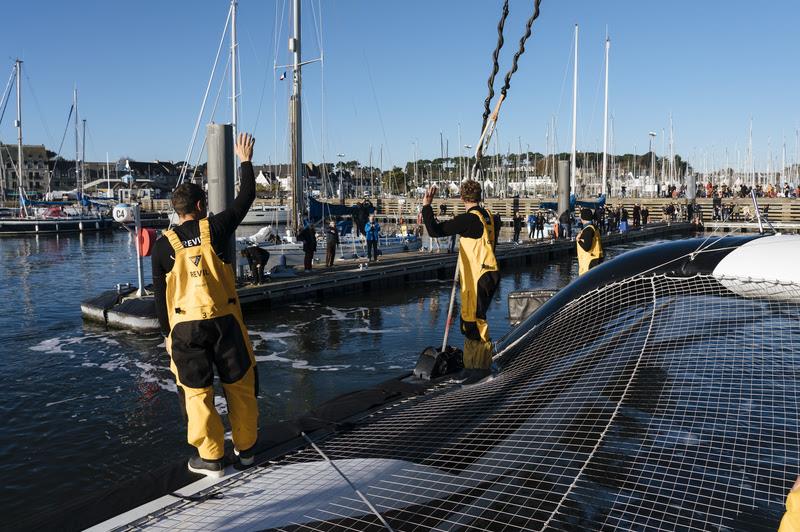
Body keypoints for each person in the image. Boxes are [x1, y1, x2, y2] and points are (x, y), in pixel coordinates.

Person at [151, 132, 259, 478]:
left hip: (185, 327)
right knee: (240, 386)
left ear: (176, 210)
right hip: (225, 321)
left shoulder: (162, 245)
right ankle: (246, 452)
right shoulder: (216, 227)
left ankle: (210, 458)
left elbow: (159, 296)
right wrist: (245, 159)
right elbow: (246, 197)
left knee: (197, 394)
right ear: (200, 206)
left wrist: (167, 334)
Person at [421, 181, 500, 372]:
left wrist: (426, 206)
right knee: (473, 320)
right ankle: (475, 362)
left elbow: (434, 230)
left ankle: (478, 368)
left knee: (473, 323)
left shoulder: (470, 220)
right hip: (489, 272)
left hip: (477, 275)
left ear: (462, 198)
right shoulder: (488, 216)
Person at [576, 207, 603, 275]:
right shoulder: (595, 228)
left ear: (582, 218)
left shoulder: (588, 230)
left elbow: (587, 247)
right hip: (597, 258)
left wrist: (578, 240)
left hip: (589, 261)